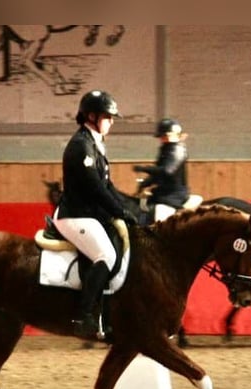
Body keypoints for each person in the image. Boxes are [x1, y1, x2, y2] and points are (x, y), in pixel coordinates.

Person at [53, 89, 138, 338]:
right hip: (75, 215)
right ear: (91, 116)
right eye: (108, 117)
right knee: (106, 255)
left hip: (90, 214)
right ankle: (84, 316)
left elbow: (109, 186)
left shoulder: (95, 144)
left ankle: (108, 317)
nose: (111, 122)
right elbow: (96, 188)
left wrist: (131, 207)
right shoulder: (81, 146)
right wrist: (119, 211)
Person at [132, 118, 190, 221]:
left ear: (175, 135)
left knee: (156, 214)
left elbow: (167, 171)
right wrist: (145, 184)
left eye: (165, 136)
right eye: (162, 136)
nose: (162, 139)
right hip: (163, 191)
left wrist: (144, 169)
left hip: (174, 194)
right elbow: (158, 174)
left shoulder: (178, 150)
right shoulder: (166, 149)